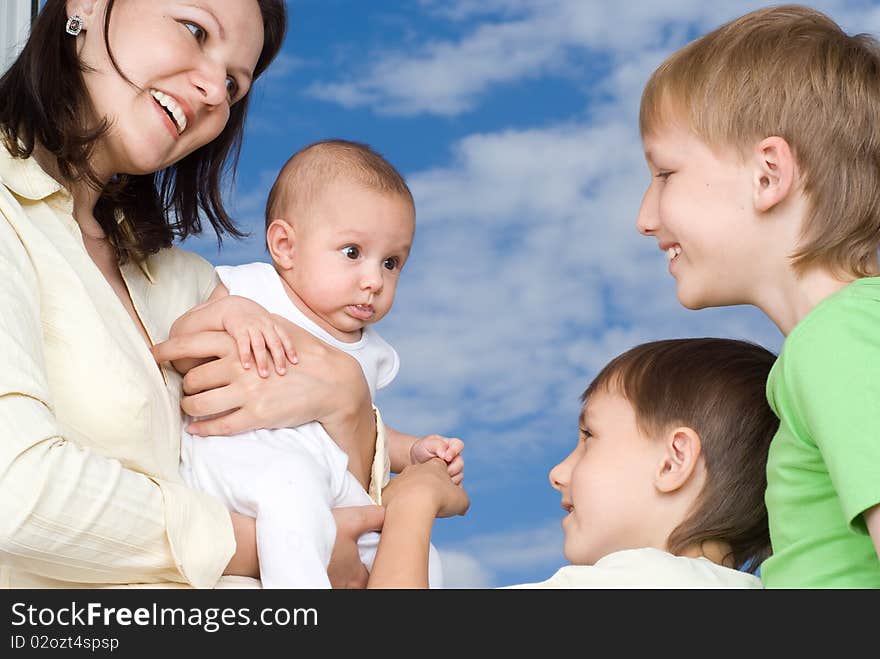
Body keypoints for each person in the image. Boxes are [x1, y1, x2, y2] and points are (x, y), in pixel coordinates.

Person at [0, 0, 380, 589]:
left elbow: (350, 523)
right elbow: (14, 494)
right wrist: (262, 543)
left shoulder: (189, 283)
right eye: (195, 29)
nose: (212, 91)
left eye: (234, 82)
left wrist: (350, 400)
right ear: (86, 6)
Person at [635, 5, 880, 588]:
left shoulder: (838, 340)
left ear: (768, 174)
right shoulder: (840, 338)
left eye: (664, 173)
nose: (644, 217)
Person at [168, 139, 465, 587]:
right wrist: (232, 314)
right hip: (243, 458)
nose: (373, 281)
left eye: (391, 263)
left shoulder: (371, 350)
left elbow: (370, 429)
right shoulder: (253, 290)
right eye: (352, 252)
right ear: (285, 246)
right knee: (292, 489)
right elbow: (182, 348)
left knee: (411, 546)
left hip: (331, 485)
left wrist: (412, 451)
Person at [366, 338, 778, 588]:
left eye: (588, 438)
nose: (557, 472)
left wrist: (412, 506)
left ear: (673, 462)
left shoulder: (629, 585)